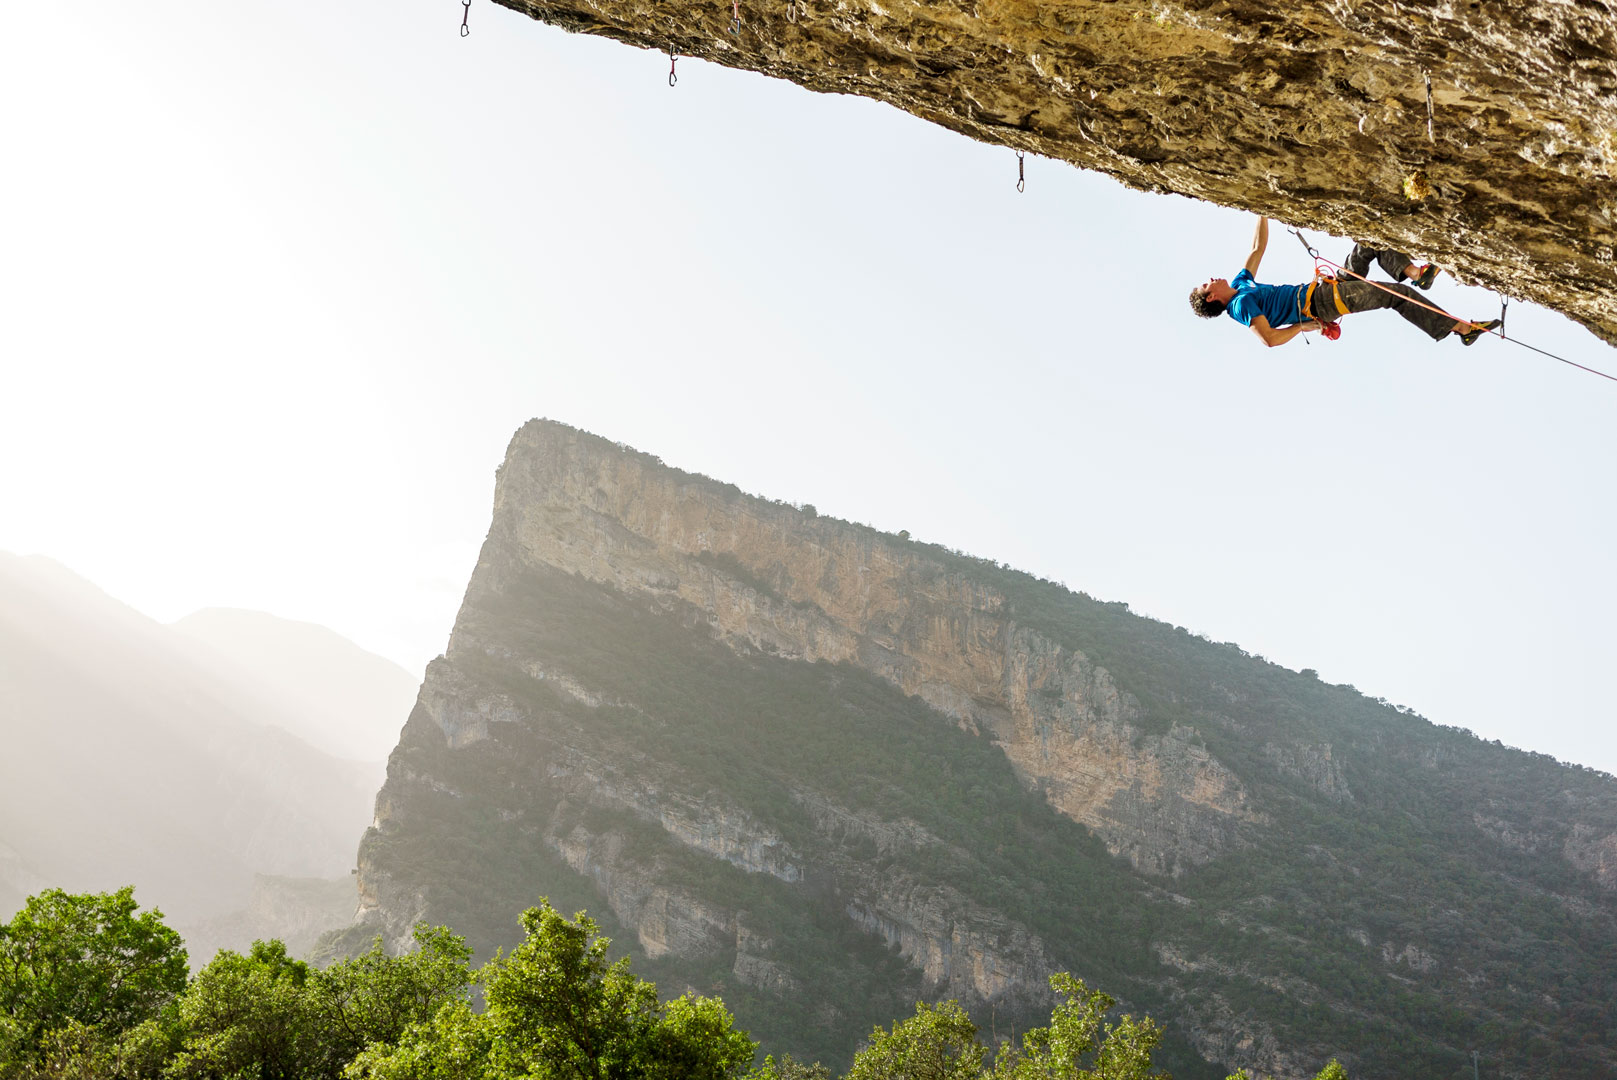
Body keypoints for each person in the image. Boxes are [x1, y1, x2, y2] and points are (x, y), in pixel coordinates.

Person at [1188, 216, 1500, 347]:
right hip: (1320, 304)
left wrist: (1262, 211)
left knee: (1370, 242)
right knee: (1395, 296)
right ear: (1213, 298)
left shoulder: (1242, 285)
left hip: (1325, 288)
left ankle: (1417, 274)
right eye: (1206, 285)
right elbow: (1268, 339)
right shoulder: (1241, 305)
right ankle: (1460, 328)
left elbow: (1257, 248)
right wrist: (1300, 327)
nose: (1210, 279)